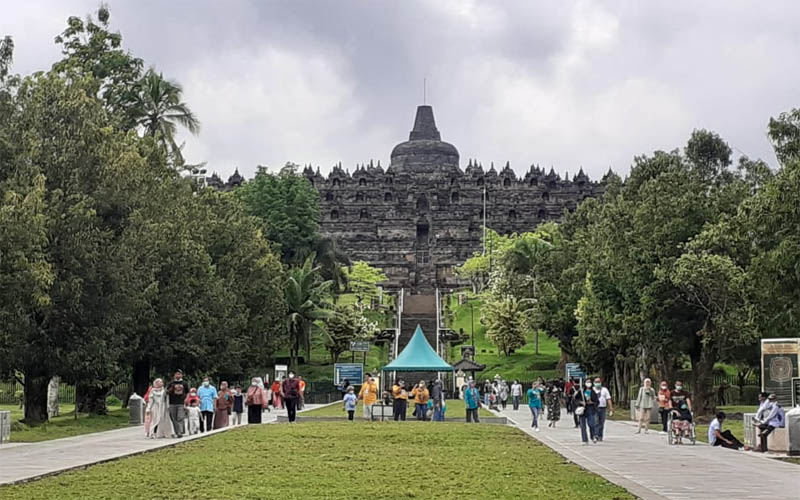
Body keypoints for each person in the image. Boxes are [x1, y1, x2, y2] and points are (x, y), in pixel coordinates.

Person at [575, 379, 599, 444]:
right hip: (583, 409)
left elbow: (597, 401)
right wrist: (580, 402)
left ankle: (593, 436)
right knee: (583, 425)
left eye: (590, 382)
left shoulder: (593, 392)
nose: (588, 384)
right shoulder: (581, 391)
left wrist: (592, 403)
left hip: (590, 409)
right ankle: (584, 439)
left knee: (591, 424)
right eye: (587, 382)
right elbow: (575, 399)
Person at [166, 371, 189, 438]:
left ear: (182, 375)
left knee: (180, 417)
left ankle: (180, 432)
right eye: (176, 374)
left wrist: (186, 399)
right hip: (172, 402)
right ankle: (177, 431)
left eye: (179, 374)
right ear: (174, 375)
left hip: (181, 402)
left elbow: (188, 392)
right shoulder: (171, 383)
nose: (177, 375)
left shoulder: (184, 383)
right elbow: (167, 392)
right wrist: (171, 388)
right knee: (173, 418)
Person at [593, 378, 613, 442]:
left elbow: (608, 399)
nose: (597, 383)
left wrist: (611, 408)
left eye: (598, 382)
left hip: (603, 408)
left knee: (601, 423)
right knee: (596, 422)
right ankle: (595, 435)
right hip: (595, 408)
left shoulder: (605, 390)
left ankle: (600, 436)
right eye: (596, 382)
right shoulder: (592, 390)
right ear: (594, 382)